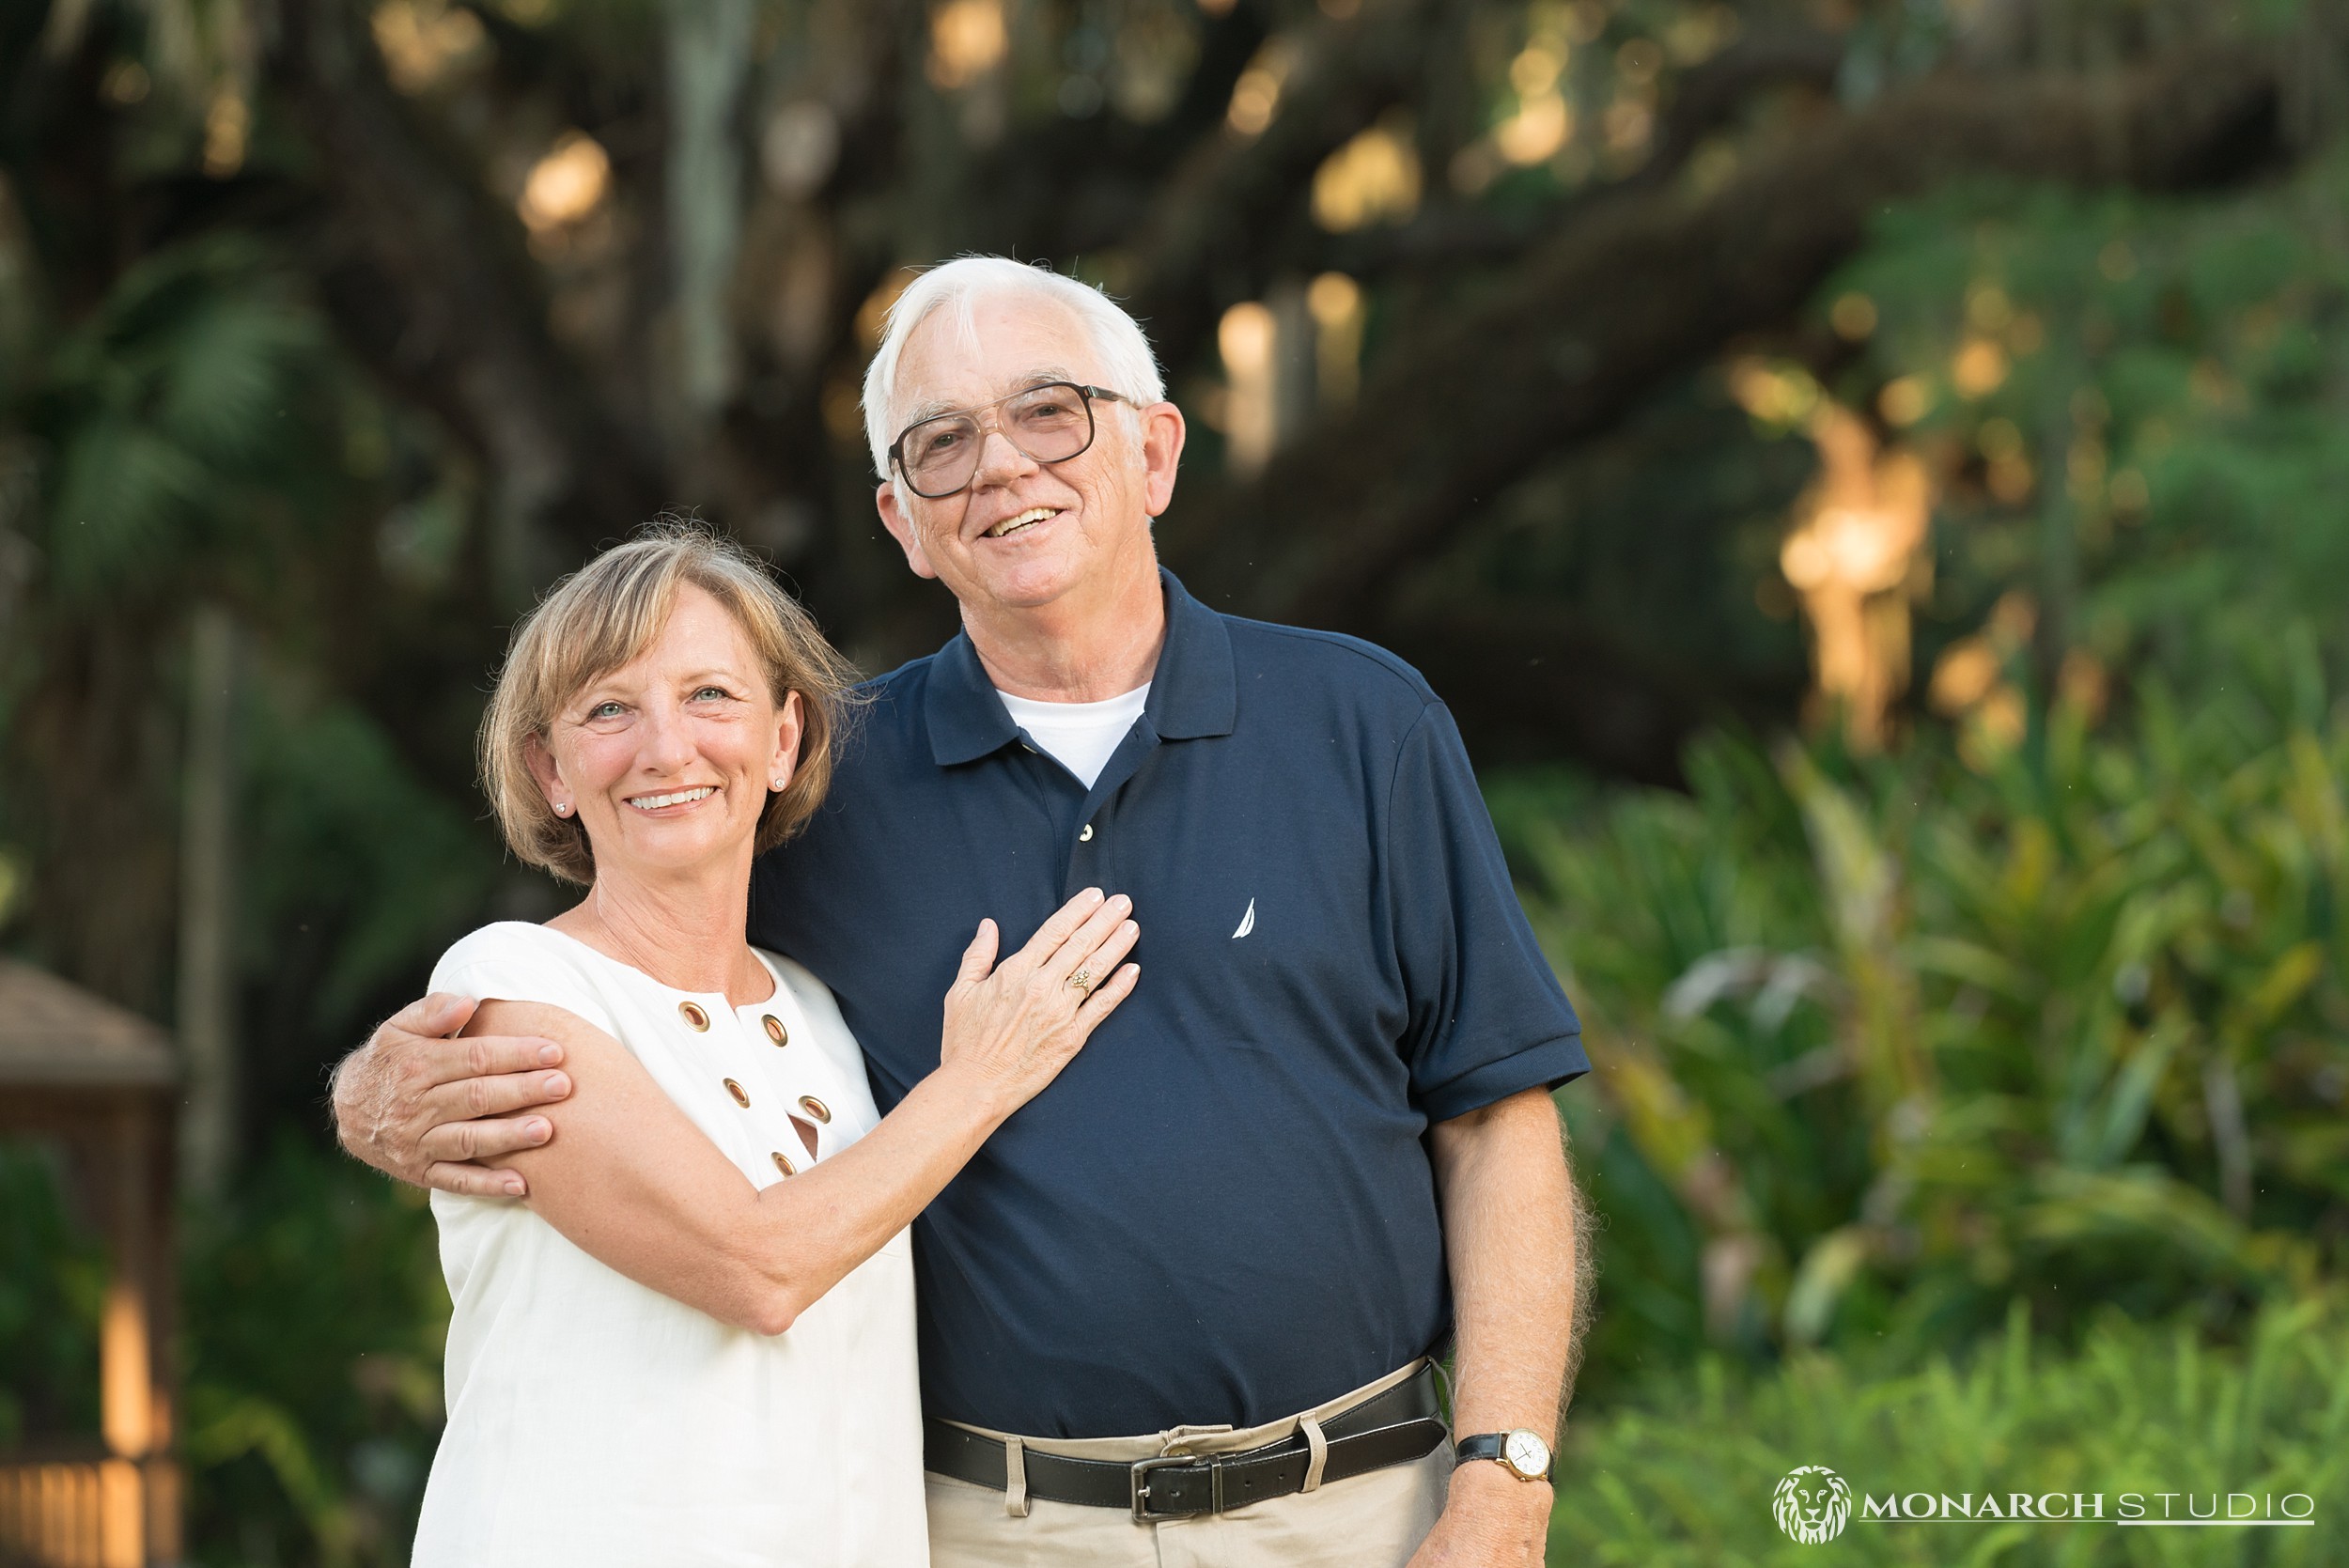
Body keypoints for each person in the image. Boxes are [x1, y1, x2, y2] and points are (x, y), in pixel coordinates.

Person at [336, 255, 1592, 1567]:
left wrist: (1504, 1482)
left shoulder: (1364, 726)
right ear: (900, 518)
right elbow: (633, 961)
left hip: (1360, 1513)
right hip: (993, 1533)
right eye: (941, 444)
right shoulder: (821, 791)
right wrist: (379, 1086)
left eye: (1051, 411)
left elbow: (1497, 1117)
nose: (999, 466)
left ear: (1156, 453)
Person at [398, 526, 1140, 1566]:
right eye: (610, 708)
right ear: (549, 768)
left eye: (709, 695)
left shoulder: (822, 1015)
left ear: (785, 739)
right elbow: (755, 1268)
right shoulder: (513, 986)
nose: (666, 747)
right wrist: (977, 1079)